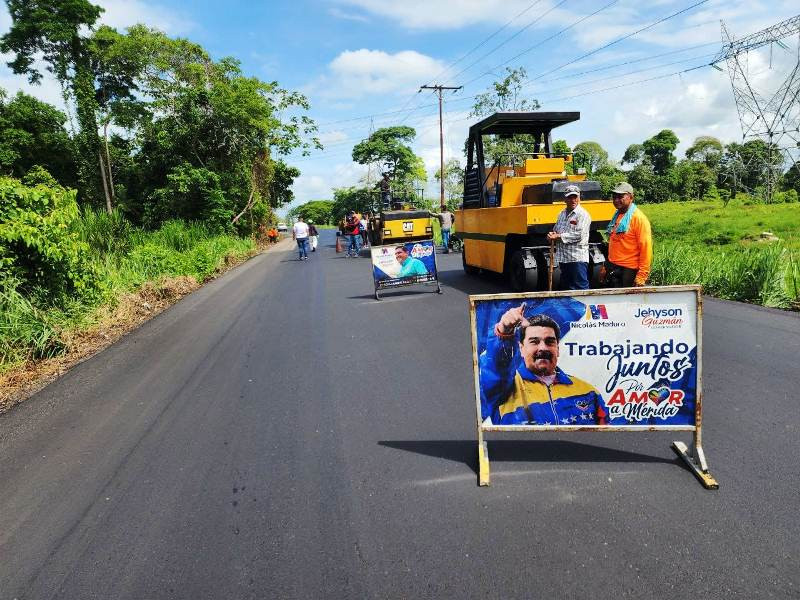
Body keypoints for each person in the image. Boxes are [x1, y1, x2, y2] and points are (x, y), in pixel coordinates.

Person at [479, 305, 607, 425]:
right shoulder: (501, 388)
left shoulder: (588, 391)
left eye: (549, 342)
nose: (543, 348)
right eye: (534, 341)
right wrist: (504, 332)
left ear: (558, 348)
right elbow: (496, 367)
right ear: (521, 348)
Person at [602, 182, 652, 287]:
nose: (616, 200)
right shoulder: (617, 216)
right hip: (613, 267)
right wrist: (605, 266)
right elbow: (614, 244)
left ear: (631, 197)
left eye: (620, 197)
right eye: (614, 197)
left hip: (629, 271)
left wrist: (642, 276)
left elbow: (646, 248)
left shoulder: (638, 218)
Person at [547, 184, 591, 290]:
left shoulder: (582, 214)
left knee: (580, 289)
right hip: (564, 259)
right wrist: (551, 235)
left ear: (579, 198)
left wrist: (558, 236)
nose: (573, 200)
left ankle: (585, 307)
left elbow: (579, 235)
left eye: (575, 197)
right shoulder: (561, 214)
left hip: (577, 259)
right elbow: (556, 230)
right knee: (567, 289)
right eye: (570, 197)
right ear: (565, 199)